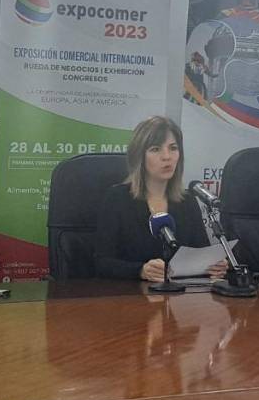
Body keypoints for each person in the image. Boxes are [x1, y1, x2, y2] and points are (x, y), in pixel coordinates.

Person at [94, 116, 223, 281]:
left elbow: (200, 254)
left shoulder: (187, 201)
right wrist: (140, 271)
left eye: (173, 148)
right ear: (139, 156)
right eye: (156, 149)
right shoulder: (117, 199)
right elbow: (102, 263)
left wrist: (212, 266)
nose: (167, 156)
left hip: (181, 294)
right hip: (132, 294)